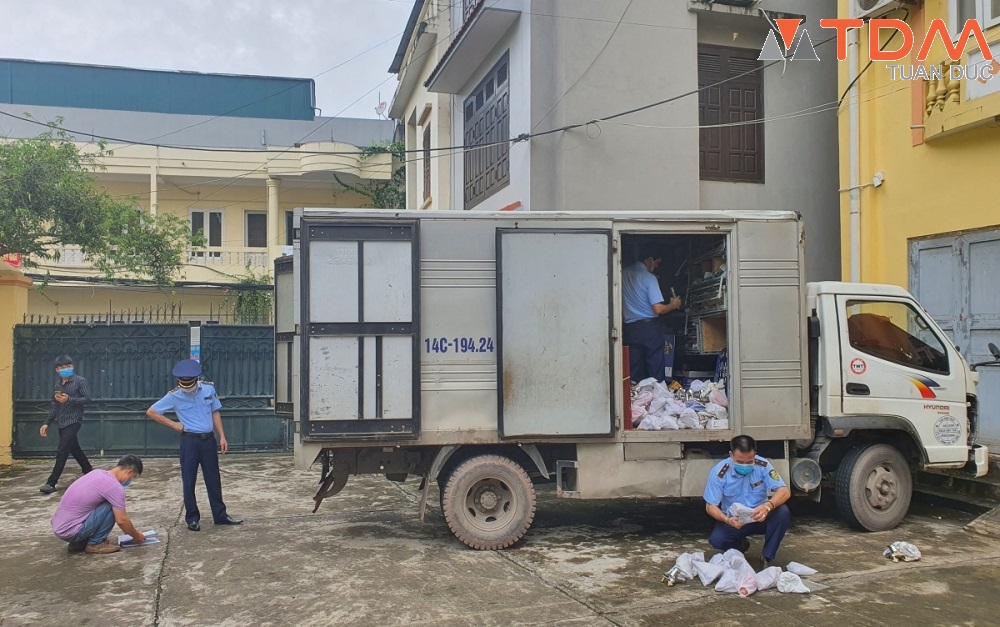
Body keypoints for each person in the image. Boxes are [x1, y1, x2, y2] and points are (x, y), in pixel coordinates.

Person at [146, 359, 242, 532]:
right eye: (184, 384)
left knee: (214, 478)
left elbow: (215, 411)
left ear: (197, 378)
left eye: (190, 383)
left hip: (208, 441)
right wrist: (173, 424)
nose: (187, 387)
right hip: (189, 441)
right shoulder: (174, 395)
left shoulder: (208, 389)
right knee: (189, 479)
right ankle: (192, 518)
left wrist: (222, 436)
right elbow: (151, 411)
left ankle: (220, 515)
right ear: (179, 382)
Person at [703, 435, 792, 568]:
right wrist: (727, 520)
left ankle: (767, 556)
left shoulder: (763, 465)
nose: (745, 465)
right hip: (735, 521)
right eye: (740, 461)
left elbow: (784, 491)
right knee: (717, 540)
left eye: (749, 461)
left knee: (783, 512)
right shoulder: (720, 472)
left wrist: (768, 506)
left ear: (755, 455)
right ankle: (740, 546)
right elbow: (710, 506)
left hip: (760, 516)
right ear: (731, 455)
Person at [50, 454, 145, 555]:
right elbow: (122, 520)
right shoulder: (114, 487)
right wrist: (137, 536)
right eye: (133, 477)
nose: (130, 480)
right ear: (129, 472)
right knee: (112, 505)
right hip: (71, 531)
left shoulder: (97, 473)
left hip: (61, 527)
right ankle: (96, 543)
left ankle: (78, 543)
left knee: (99, 502)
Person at [622, 247, 682, 383]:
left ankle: (633, 398)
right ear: (649, 260)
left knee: (633, 368)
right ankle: (657, 396)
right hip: (649, 328)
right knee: (655, 365)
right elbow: (658, 309)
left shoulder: (622, 275)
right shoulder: (649, 278)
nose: (656, 266)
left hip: (629, 328)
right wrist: (672, 305)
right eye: (656, 263)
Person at [39, 355, 94, 494]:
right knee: (74, 448)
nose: (66, 369)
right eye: (63, 367)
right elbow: (55, 406)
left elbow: (87, 399)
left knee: (62, 450)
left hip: (74, 420)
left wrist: (70, 399)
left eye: (68, 366)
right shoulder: (58, 385)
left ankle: (51, 483)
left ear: (73, 366)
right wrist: (47, 423)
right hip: (61, 421)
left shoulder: (80, 381)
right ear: (57, 369)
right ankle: (89, 471)